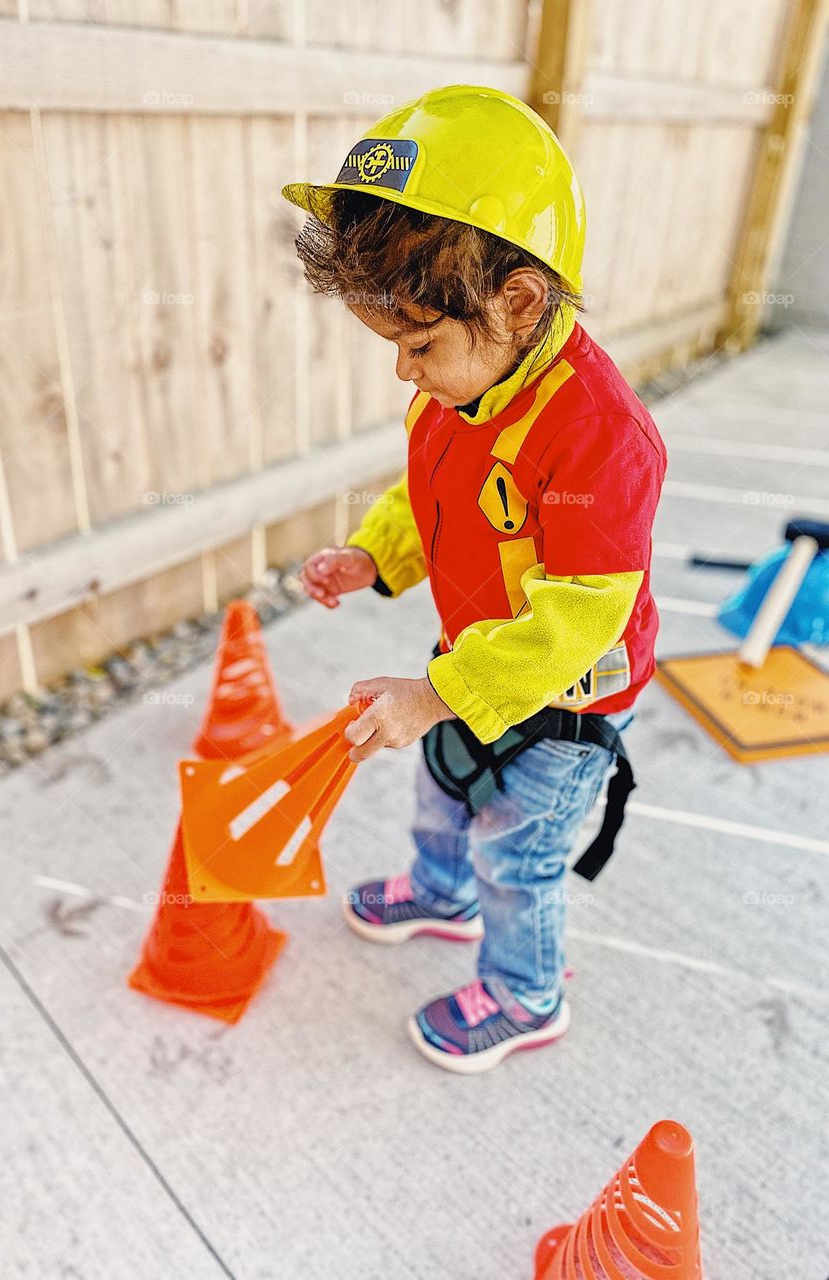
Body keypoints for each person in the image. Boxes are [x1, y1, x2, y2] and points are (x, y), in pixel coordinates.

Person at [281, 85, 666, 1074]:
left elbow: (581, 616)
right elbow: (431, 497)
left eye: (418, 344)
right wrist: (375, 555)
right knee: (442, 787)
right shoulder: (462, 390)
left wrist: (440, 691)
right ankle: (438, 889)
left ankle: (528, 992)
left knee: (517, 846)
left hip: (565, 697)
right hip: (471, 656)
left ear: (520, 300)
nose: (405, 374)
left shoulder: (599, 439)